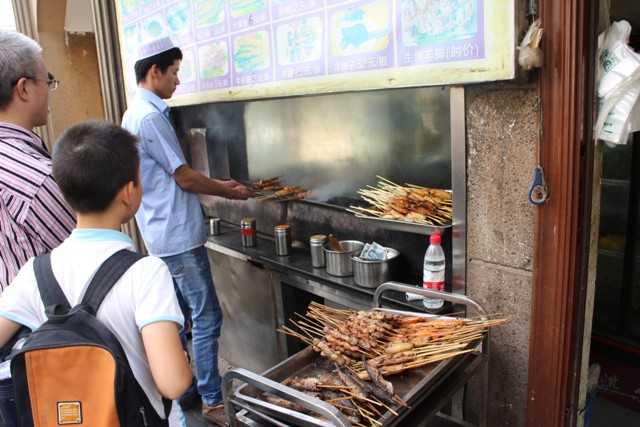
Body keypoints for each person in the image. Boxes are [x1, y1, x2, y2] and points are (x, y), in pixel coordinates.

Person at [0, 121, 193, 425]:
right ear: (130, 193)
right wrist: (182, 360)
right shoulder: (147, 272)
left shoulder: (34, 273)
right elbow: (173, 383)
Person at [121, 37, 251, 424]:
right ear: (154, 71)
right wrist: (227, 191)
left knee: (178, 317)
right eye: (174, 72)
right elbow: (184, 177)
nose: (178, 81)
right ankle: (212, 399)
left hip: (161, 234)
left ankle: (186, 389)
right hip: (177, 237)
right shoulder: (149, 117)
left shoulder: (136, 113)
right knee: (207, 315)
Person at [0, 31, 75, 291]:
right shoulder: (36, 180)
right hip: (47, 326)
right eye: (48, 80)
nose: (50, 90)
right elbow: (88, 261)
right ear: (23, 88)